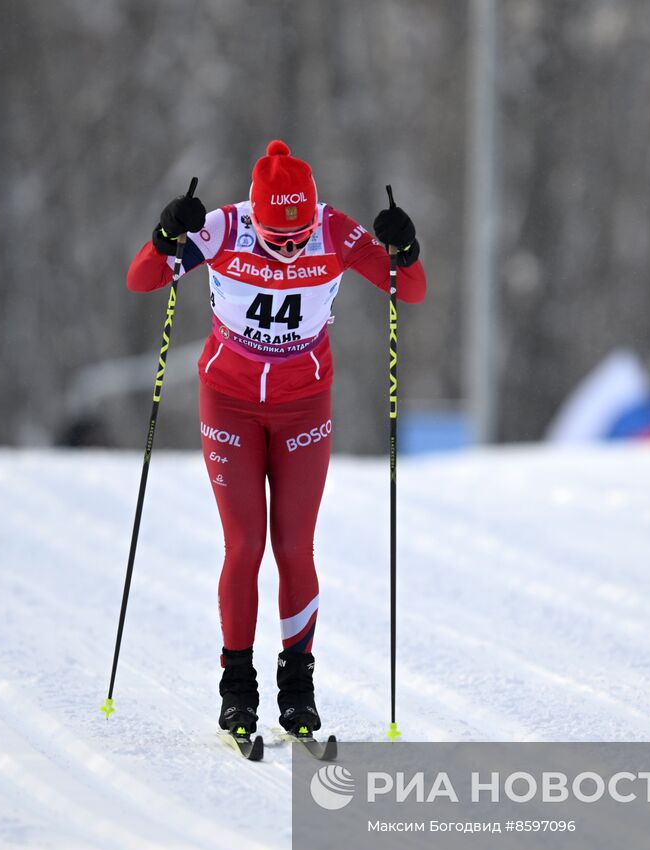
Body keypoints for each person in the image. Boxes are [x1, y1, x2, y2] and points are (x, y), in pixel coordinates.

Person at [126, 140, 427, 738]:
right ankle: (237, 690)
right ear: (254, 216)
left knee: (294, 546)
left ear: (312, 215)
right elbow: (143, 278)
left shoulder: (335, 235)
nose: (287, 251)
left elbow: (408, 288)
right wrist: (166, 234)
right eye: (273, 238)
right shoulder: (223, 230)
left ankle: (298, 690)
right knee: (245, 544)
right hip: (230, 402)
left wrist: (407, 246)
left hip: (302, 408)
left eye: (296, 239)